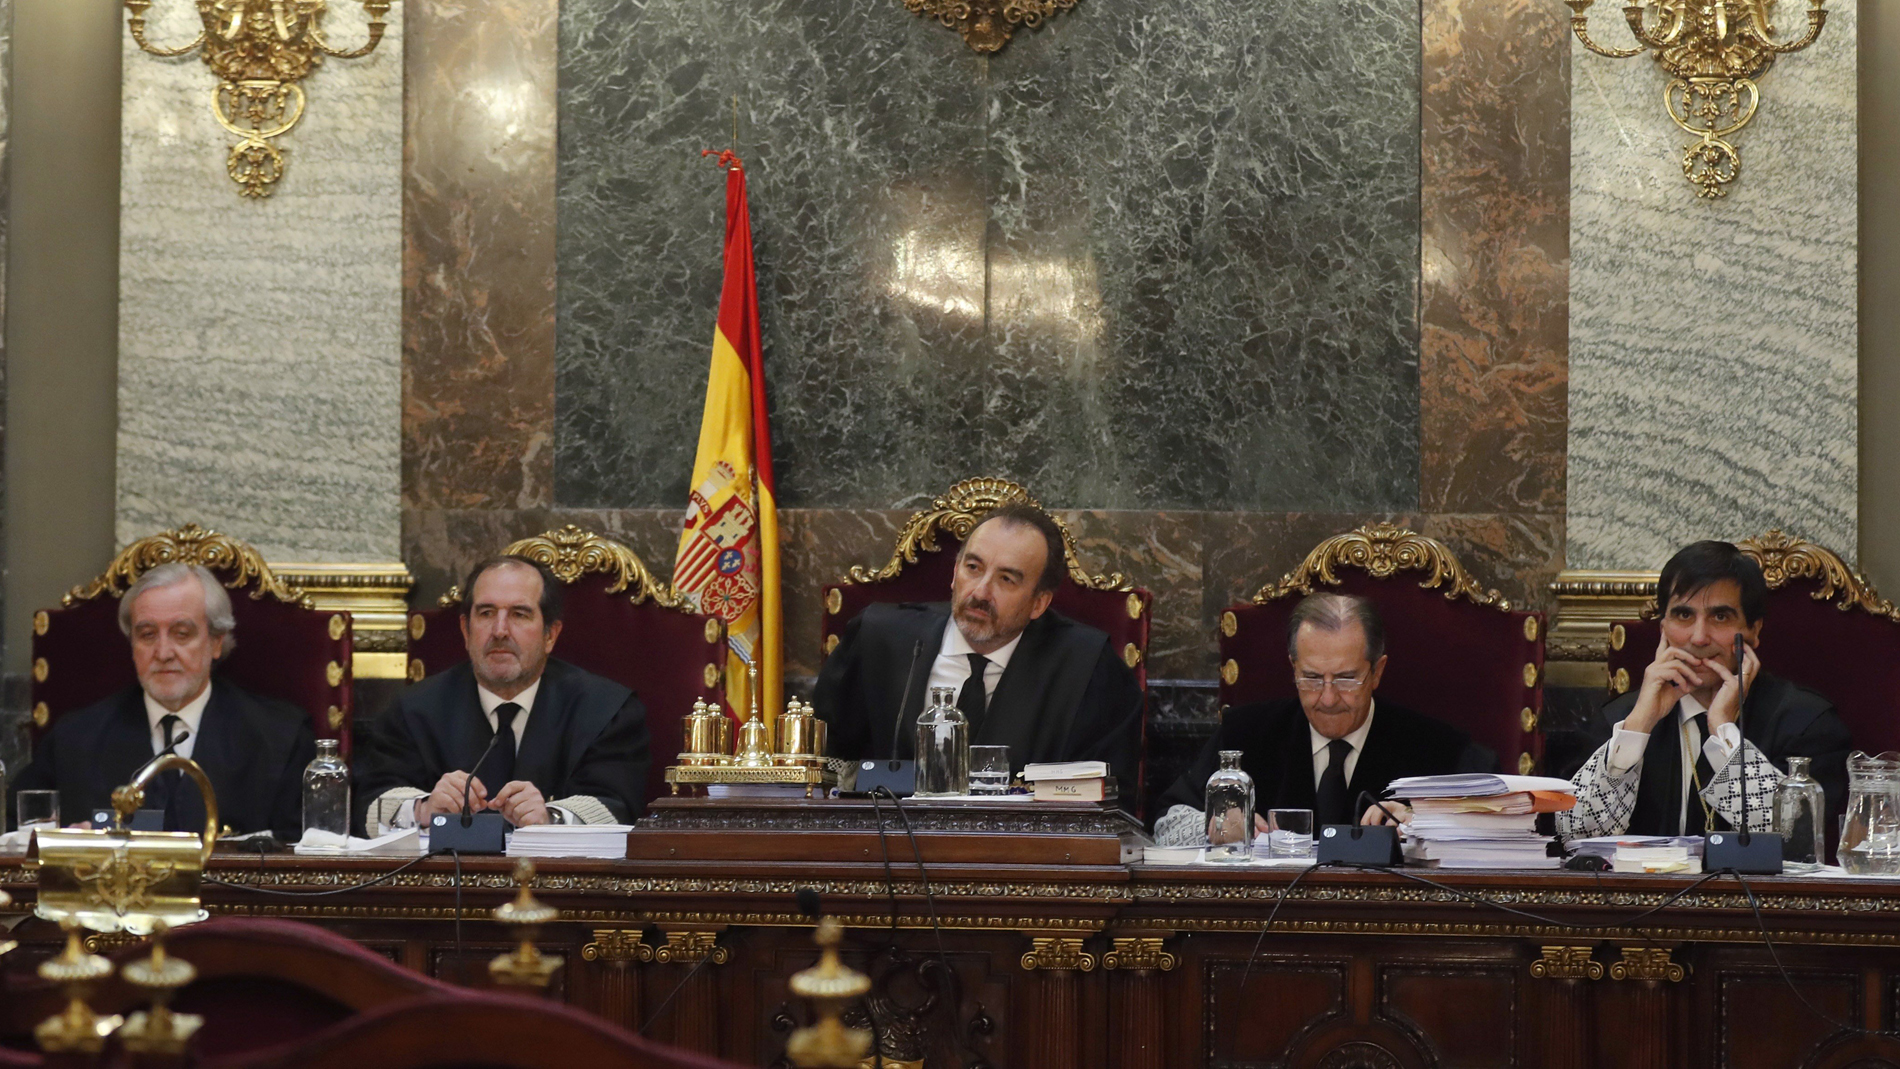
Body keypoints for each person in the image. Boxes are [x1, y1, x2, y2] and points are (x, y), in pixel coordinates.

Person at [813, 503, 1143, 792]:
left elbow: (1107, 802)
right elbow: (822, 767)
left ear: (1039, 603)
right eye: (973, 568)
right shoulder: (876, 641)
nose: (981, 592)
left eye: (1006, 579)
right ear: (954, 573)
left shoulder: (1086, 669)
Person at [1559, 541, 1851, 838]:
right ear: (1663, 629)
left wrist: (1723, 730)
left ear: (1753, 630)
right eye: (1684, 616)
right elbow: (1574, 835)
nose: (1699, 638)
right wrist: (1639, 727)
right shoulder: (1620, 719)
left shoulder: (1806, 723)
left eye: (1720, 617)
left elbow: (1793, 836)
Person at [1153, 593, 1493, 846]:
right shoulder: (1245, 735)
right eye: (1312, 678)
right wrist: (1215, 826)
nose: (1327, 698)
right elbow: (1164, 823)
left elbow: (1496, 829)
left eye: (1346, 679)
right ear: (1293, 668)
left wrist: (1424, 823)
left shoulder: (1439, 750)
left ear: (1377, 672)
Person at [10, 563, 315, 838]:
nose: (164, 652)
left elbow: (303, 854)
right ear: (132, 644)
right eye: (147, 635)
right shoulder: (74, 740)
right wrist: (66, 841)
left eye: (182, 634)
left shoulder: (281, 738)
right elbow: (19, 833)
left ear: (216, 642)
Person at [356, 555, 651, 832]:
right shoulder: (412, 711)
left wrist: (551, 818)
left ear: (550, 635)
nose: (499, 630)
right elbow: (368, 802)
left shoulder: (605, 711)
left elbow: (619, 806)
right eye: (486, 613)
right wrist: (423, 809)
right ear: (465, 630)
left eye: (519, 614)